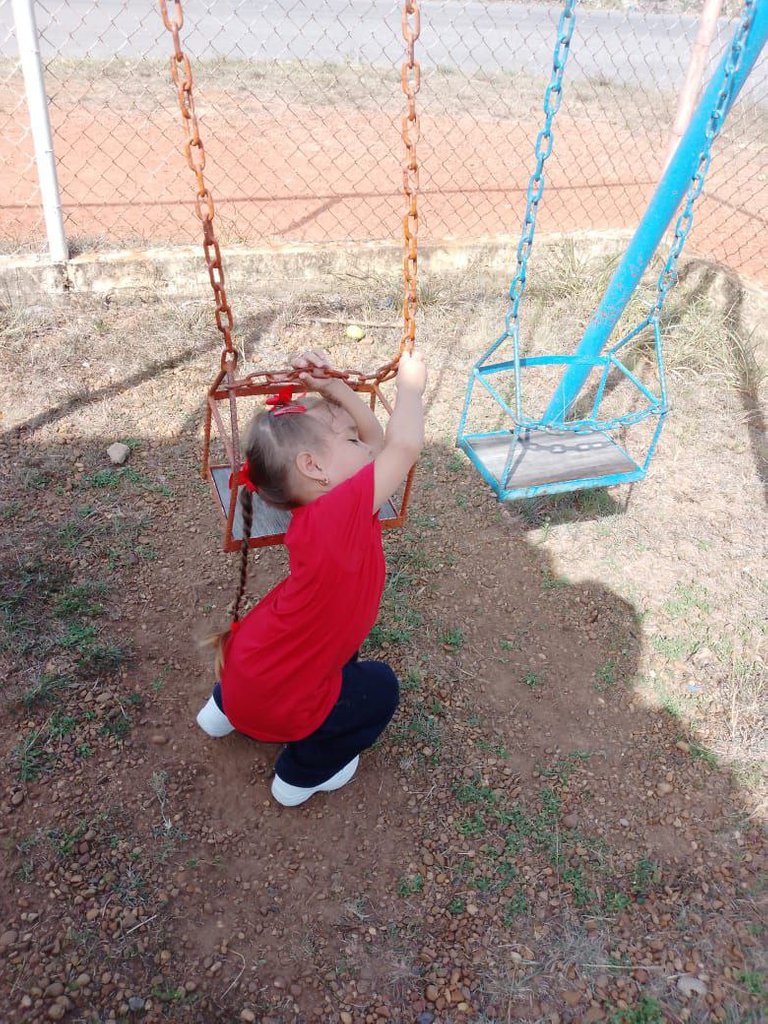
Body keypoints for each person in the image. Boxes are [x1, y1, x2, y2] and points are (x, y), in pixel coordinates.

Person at [196, 347, 427, 806]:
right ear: (314, 467)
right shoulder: (342, 509)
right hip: (278, 699)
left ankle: (221, 712)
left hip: (248, 668)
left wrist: (336, 391)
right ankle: (301, 776)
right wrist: (411, 387)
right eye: (349, 441)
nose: (365, 445)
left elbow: (376, 443)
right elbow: (399, 447)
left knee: (299, 646)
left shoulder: (321, 509)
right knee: (379, 688)